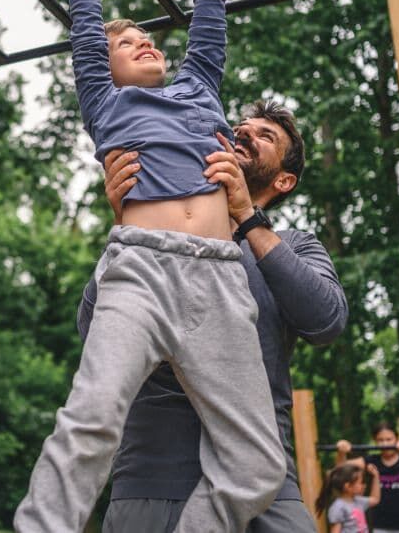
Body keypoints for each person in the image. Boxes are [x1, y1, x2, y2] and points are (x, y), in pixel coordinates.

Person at [14, 0, 287, 532]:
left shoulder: (199, 87)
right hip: (139, 271)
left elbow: (211, 2)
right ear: (100, 70)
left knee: (258, 464)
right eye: (125, 41)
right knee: (92, 416)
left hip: (220, 279)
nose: (143, 41)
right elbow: (85, 15)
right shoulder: (107, 104)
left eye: (148, 37)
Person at [85, 99, 349, 532]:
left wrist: (245, 216)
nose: (246, 132)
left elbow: (326, 321)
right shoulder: (154, 237)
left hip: (265, 481)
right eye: (242, 127)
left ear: (284, 180)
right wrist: (126, 225)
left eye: (266, 136)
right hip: (156, 477)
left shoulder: (294, 245)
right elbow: (93, 330)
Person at [336, 422, 399, 533]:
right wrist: (341, 453)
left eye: (389, 439)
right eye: (381, 440)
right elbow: (340, 470)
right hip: (381, 525)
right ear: (375, 441)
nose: (385, 443)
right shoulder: (371, 461)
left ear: (396, 439)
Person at [316, 463, 382, 533]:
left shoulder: (358, 501)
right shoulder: (338, 507)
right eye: (361, 482)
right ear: (348, 486)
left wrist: (376, 476)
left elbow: (375, 499)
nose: (364, 485)